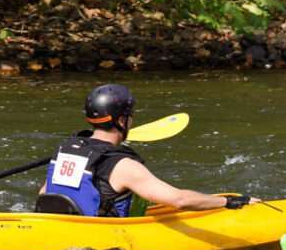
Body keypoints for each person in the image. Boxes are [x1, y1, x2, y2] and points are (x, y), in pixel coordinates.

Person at [38, 84, 256, 217]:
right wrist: (228, 201)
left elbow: (45, 194)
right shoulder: (123, 166)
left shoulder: (68, 149)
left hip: (60, 228)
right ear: (122, 121)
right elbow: (179, 200)